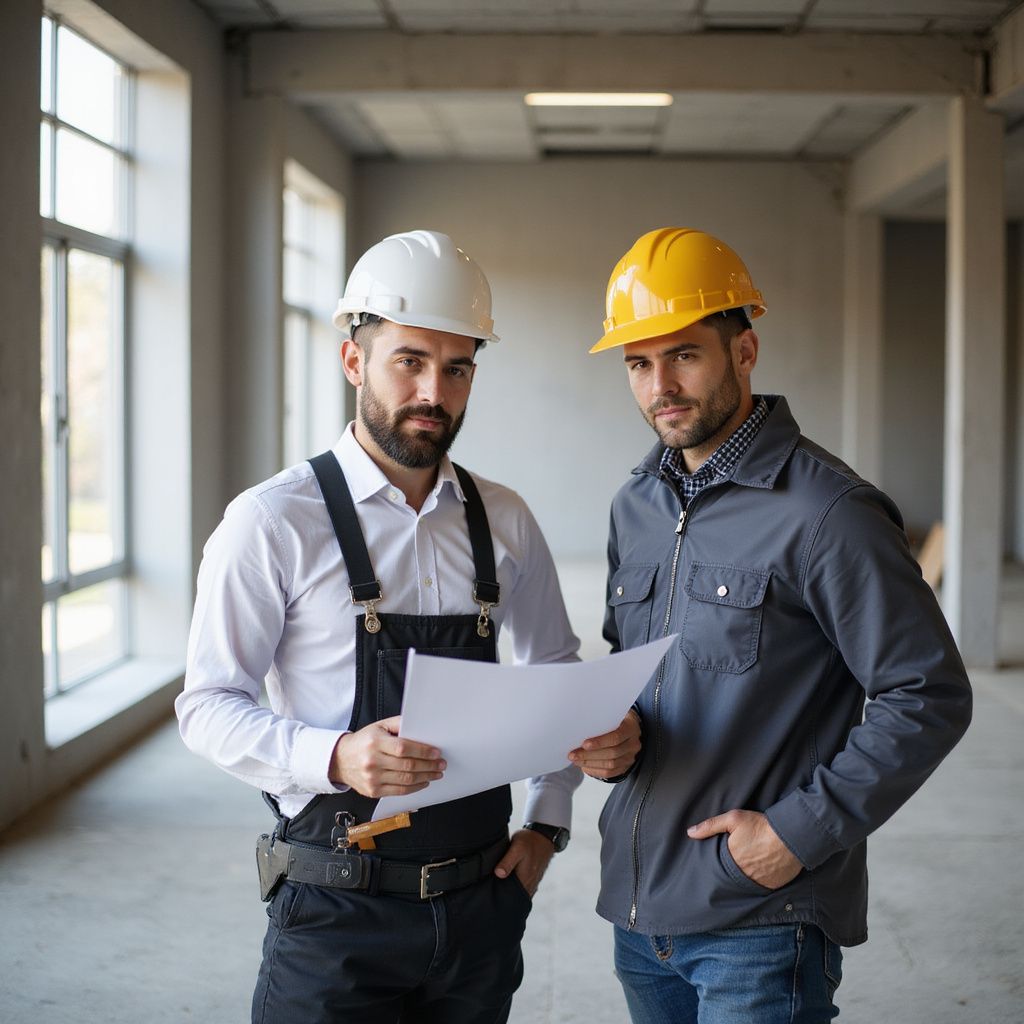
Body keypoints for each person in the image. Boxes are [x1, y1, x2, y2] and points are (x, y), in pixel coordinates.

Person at [176, 229, 640, 1024]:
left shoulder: (504, 519)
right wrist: (335, 755)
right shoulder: (272, 522)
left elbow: (558, 677)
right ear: (355, 361)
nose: (434, 389)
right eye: (409, 361)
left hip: (479, 913)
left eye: (458, 367)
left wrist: (548, 825)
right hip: (333, 913)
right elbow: (206, 705)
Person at [588, 227, 972, 1023]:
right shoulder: (638, 505)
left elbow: (927, 693)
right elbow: (637, 673)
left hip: (761, 922)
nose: (661, 384)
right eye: (637, 363)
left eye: (684, 354)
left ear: (744, 350)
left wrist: (798, 832)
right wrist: (611, 738)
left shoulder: (829, 511)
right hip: (640, 909)